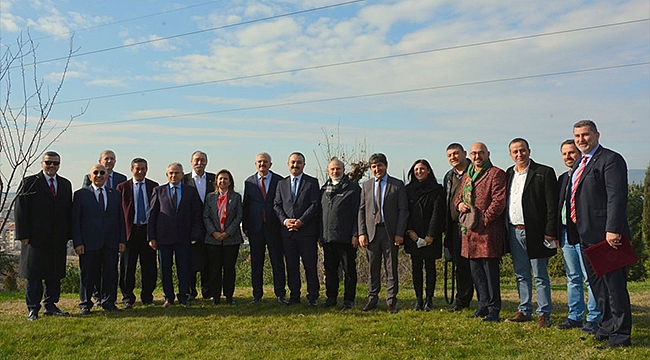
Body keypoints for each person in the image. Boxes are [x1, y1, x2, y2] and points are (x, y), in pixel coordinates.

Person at [567, 120, 632, 348]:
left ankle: (621, 335)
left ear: (597, 135)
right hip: (584, 235)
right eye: (577, 136)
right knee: (598, 287)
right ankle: (606, 327)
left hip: (606, 236)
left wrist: (613, 229)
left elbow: (617, 196)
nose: (581, 139)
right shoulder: (580, 163)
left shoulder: (610, 159)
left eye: (585, 135)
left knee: (614, 288)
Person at [504, 138, 558, 328]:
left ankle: (543, 313)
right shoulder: (509, 173)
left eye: (522, 150)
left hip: (537, 232)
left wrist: (550, 231)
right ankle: (524, 310)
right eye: (515, 152)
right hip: (514, 231)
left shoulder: (544, 172)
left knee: (540, 274)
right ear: (510, 154)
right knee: (521, 273)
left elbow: (552, 205)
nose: (520, 154)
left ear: (529, 150)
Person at [15, 151, 73, 321]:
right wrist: (23, 235)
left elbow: (68, 211)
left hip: (57, 239)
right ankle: (33, 308)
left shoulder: (65, 184)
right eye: (48, 163)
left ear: (59, 165)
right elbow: (20, 209)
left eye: (55, 163)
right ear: (42, 163)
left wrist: (68, 235)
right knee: (34, 275)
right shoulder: (30, 182)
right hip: (35, 238)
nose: (52, 166)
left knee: (54, 274)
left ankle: (51, 305)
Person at [455, 142, 506, 322]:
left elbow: (498, 202)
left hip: (487, 232)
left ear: (488, 154)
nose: (477, 157)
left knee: (490, 273)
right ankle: (482, 305)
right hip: (469, 234)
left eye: (481, 153)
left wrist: (482, 221)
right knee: (476, 273)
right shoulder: (468, 176)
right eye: (474, 153)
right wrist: (459, 205)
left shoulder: (496, 174)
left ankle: (494, 309)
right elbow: (458, 198)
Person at [555, 139, 601, 332]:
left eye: (572, 152)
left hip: (585, 233)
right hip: (566, 234)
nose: (568, 157)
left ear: (579, 153)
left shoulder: (588, 174)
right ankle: (574, 316)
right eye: (564, 154)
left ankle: (594, 317)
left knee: (590, 277)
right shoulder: (563, 178)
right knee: (572, 277)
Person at [358, 153, 408, 313]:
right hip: (372, 233)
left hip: (390, 232)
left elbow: (403, 210)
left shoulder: (397, 185)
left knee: (391, 268)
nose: (377, 169)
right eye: (373, 167)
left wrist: (400, 233)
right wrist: (361, 233)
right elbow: (361, 210)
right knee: (373, 268)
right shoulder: (366, 185)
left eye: (379, 165)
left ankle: (391, 301)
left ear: (386, 165)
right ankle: (372, 298)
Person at [73, 164, 126, 314]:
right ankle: (85, 303)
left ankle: (109, 302)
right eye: (95, 173)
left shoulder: (115, 194)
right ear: (90, 177)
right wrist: (78, 242)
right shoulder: (81, 194)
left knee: (110, 273)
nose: (99, 175)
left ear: (107, 176)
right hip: (89, 243)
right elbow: (75, 221)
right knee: (88, 274)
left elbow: (120, 219)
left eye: (102, 173)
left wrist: (122, 240)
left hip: (111, 241)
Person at [148, 162, 203, 308]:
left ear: (182, 175)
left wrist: (195, 234)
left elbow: (196, 214)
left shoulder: (190, 191)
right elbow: (152, 215)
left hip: (184, 237)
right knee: (165, 269)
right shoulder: (159, 191)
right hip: (163, 237)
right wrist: (151, 237)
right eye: (171, 173)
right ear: (167, 175)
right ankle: (169, 297)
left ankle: (184, 297)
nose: (174, 175)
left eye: (177, 172)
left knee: (184, 268)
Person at [273, 152, 321, 306]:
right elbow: (277, 205)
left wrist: (301, 221)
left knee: (310, 266)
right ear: (288, 164)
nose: (295, 165)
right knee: (292, 266)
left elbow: (314, 205)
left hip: (306, 232)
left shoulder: (312, 182)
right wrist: (285, 221)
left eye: (299, 162)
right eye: (293, 162)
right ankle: (294, 296)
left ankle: (313, 296)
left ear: (303, 165)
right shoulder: (281, 184)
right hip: (288, 233)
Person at [242, 152, 287, 304]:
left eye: (265, 162)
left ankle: (280, 294)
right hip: (255, 228)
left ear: (270, 164)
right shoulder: (249, 182)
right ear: (256, 164)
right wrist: (246, 226)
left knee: (277, 262)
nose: (262, 164)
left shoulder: (279, 181)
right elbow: (246, 205)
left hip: (274, 227)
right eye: (260, 162)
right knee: (256, 263)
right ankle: (257, 295)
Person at [116, 158, 159, 308]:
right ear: (131, 170)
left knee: (149, 266)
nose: (140, 171)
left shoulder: (154, 186)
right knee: (128, 267)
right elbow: (118, 213)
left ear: (147, 169)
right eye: (137, 169)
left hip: (147, 231)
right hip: (130, 231)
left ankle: (147, 296)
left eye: (143, 169)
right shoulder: (122, 187)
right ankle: (128, 297)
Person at [320, 158, 361, 310]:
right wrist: (320, 235)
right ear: (328, 171)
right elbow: (321, 214)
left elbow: (358, 213)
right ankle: (331, 298)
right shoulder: (324, 189)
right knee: (330, 270)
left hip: (347, 238)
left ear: (343, 170)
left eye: (338, 169)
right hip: (328, 238)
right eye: (332, 169)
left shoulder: (353, 188)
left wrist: (356, 234)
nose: (335, 172)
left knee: (349, 270)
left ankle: (349, 300)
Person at [405, 159, 445, 311]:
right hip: (413, 235)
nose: (419, 172)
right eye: (416, 169)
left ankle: (429, 298)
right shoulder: (408, 189)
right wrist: (409, 231)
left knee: (430, 268)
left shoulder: (437, 190)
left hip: (430, 236)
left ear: (429, 170)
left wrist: (431, 235)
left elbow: (437, 213)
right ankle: (418, 299)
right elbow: (404, 211)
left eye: (422, 169)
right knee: (416, 267)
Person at [203, 169, 243, 305]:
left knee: (229, 268)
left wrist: (228, 232)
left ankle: (229, 295)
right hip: (212, 239)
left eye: (225, 179)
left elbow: (239, 216)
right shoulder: (210, 197)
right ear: (216, 181)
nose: (223, 181)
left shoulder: (236, 197)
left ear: (230, 181)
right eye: (220, 179)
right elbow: (206, 216)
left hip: (231, 239)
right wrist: (214, 232)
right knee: (214, 269)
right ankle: (215, 296)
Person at [443, 143, 476, 312]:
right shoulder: (449, 176)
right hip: (455, 227)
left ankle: (485, 300)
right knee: (460, 266)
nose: (453, 157)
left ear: (464, 153)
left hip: (474, 226)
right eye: (449, 155)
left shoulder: (475, 172)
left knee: (477, 266)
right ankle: (462, 300)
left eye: (456, 154)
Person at [183, 150, 216, 301]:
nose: (199, 163)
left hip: (211, 227)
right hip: (189, 227)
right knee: (190, 261)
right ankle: (190, 292)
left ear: (206, 162)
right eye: (196, 160)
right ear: (191, 162)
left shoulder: (214, 179)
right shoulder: (183, 180)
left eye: (202, 160)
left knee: (209, 260)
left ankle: (207, 291)